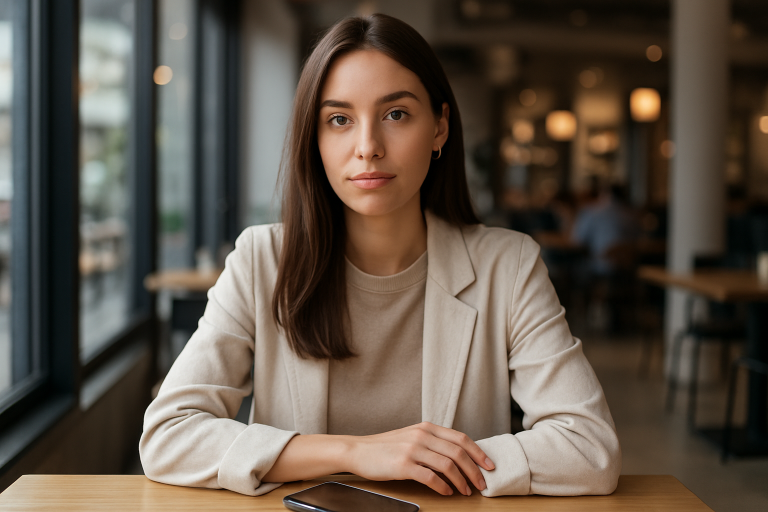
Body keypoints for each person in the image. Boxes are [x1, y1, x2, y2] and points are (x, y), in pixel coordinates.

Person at [140, 13, 621, 498]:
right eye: (339, 120)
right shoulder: (262, 260)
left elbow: (590, 450)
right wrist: (356, 453)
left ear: (439, 127)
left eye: (396, 114)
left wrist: (437, 464)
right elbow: (168, 435)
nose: (367, 147)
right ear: (315, 138)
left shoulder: (508, 266)